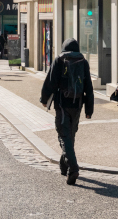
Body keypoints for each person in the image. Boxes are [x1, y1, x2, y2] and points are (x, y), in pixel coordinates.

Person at [41, 38, 95, 185]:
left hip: (62, 104)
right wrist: (89, 109)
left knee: (64, 135)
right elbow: (89, 87)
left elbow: (50, 81)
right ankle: (64, 166)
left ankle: (73, 168)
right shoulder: (83, 62)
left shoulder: (59, 60)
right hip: (77, 104)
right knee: (70, 134)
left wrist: (44, 98)